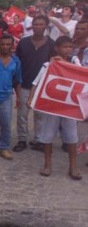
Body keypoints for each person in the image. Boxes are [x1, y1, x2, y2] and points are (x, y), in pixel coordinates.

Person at [27, 36, 82, 180]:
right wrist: (31, 98)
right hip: (52, 105)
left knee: (71, 136)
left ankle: (73, 166)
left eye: (70, 47)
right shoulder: (48, 64)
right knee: (47, 135)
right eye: (64, 47)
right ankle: (47, 164)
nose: (67, 50)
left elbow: (82, 77)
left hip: (69, 106)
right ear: (57, 48)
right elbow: (36, 82)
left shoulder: (75, 62)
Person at [13, 15, 55, 152]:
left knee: (40, 116)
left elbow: (54, 64)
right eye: (36, 24)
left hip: (43, 86)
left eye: (41, 24)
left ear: (46, 26)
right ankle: (22, 139)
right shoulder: (24, 42)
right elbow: (16, 62)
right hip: (24, 83)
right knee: (22, 114)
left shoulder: (51, 44)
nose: (38, 27)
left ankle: (39, 140)